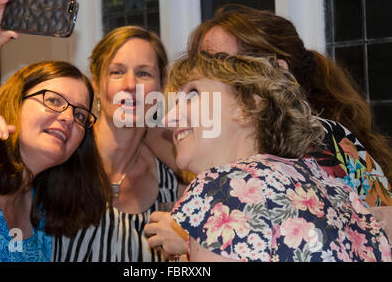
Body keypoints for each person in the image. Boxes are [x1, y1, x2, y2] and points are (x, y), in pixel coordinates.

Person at [166, 52, 391, 262]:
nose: (168, 118)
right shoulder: (333, 188)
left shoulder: (224, 188)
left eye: (192, 94)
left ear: (247, 106)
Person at [0, 0, 110, 261]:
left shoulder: (43, 215)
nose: (68, 118)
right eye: (54, 101)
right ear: (15, 103)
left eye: (80, 115)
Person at [186, 4, 392, 206]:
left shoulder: (321, 142)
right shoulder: (220, 147)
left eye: (219, 66)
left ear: (278, 72)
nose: (203, 78)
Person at [50, 26, 185, 262]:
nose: (130, 85)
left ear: (162, 85)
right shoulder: (62, 155)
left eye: (144, 74)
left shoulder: (174, 182)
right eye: (117, 72)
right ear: (96, 83)